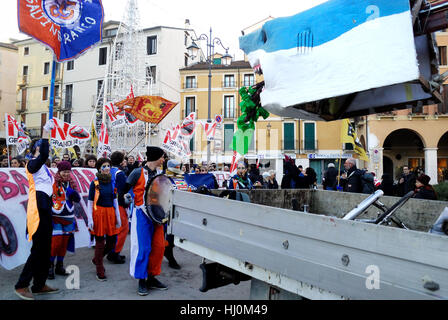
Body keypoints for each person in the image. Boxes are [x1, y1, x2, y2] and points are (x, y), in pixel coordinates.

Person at [14, 119, 59, 300]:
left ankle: (39, 284)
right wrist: (45, 134)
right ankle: (22, 285)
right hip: (38, 208)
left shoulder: (45, 168)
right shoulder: (32, 164)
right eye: (40, 146)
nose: (43, 149)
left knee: (45, 248)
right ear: (35, 150)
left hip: (46, 206)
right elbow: (43, 155)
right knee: (38, 249)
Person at [123, 146, 168, 296]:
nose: (163, 160)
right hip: (141, 213)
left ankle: (152, 277)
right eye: (162, 157)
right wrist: (125, 199)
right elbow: (124, 189)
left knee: (159, 246)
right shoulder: (137, 172)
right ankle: (141, 279)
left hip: (157, 214)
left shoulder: (161, 173)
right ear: (156, 157)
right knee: (143, 248)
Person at [87, 157, 122, 281]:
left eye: (108, 166)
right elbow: (90, 202)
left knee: (112, 241)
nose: (107, 168)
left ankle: (97, 259)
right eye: (104, 166)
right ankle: (99, 269)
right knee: (100, 242)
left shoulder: (112, 182)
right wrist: (90, 219)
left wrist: (118, 217)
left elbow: (115, 201)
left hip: (110, 213)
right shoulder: (95, 183)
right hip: (99, 214)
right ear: (99, 168)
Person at [48, 161, 81, 280]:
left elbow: (77, 199)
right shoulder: (53, 182)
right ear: (59, 172)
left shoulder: (72, 183)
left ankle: (59, 265)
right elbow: (49, 198)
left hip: (68, 217)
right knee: (56, 243)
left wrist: (75, 195)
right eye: (64, 171)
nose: (66, 174)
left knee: (64, 243)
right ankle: (50, 266)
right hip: (56, 217)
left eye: (68, 171)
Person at [106, 151, 129, 264]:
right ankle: (114, 253)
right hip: (118, 203)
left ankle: (113, 251)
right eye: (124, 159)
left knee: (114, 229)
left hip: (109, 202)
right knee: (123, 229)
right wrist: (125, 204)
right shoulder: (119, 173)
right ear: (121, 160)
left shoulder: (108, 170)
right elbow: (121, 190)